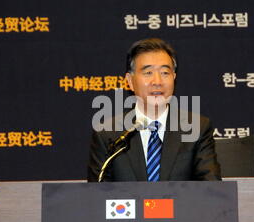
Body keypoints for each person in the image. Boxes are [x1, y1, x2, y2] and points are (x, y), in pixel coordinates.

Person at [87, 38, 221, 182]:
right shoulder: (108, 134)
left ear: (174, 78)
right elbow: (97, 197)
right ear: (130, 81)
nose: (157, 82)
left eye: (165, 73)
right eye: (148, 73)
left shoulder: (197, 128)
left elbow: (211, 191)